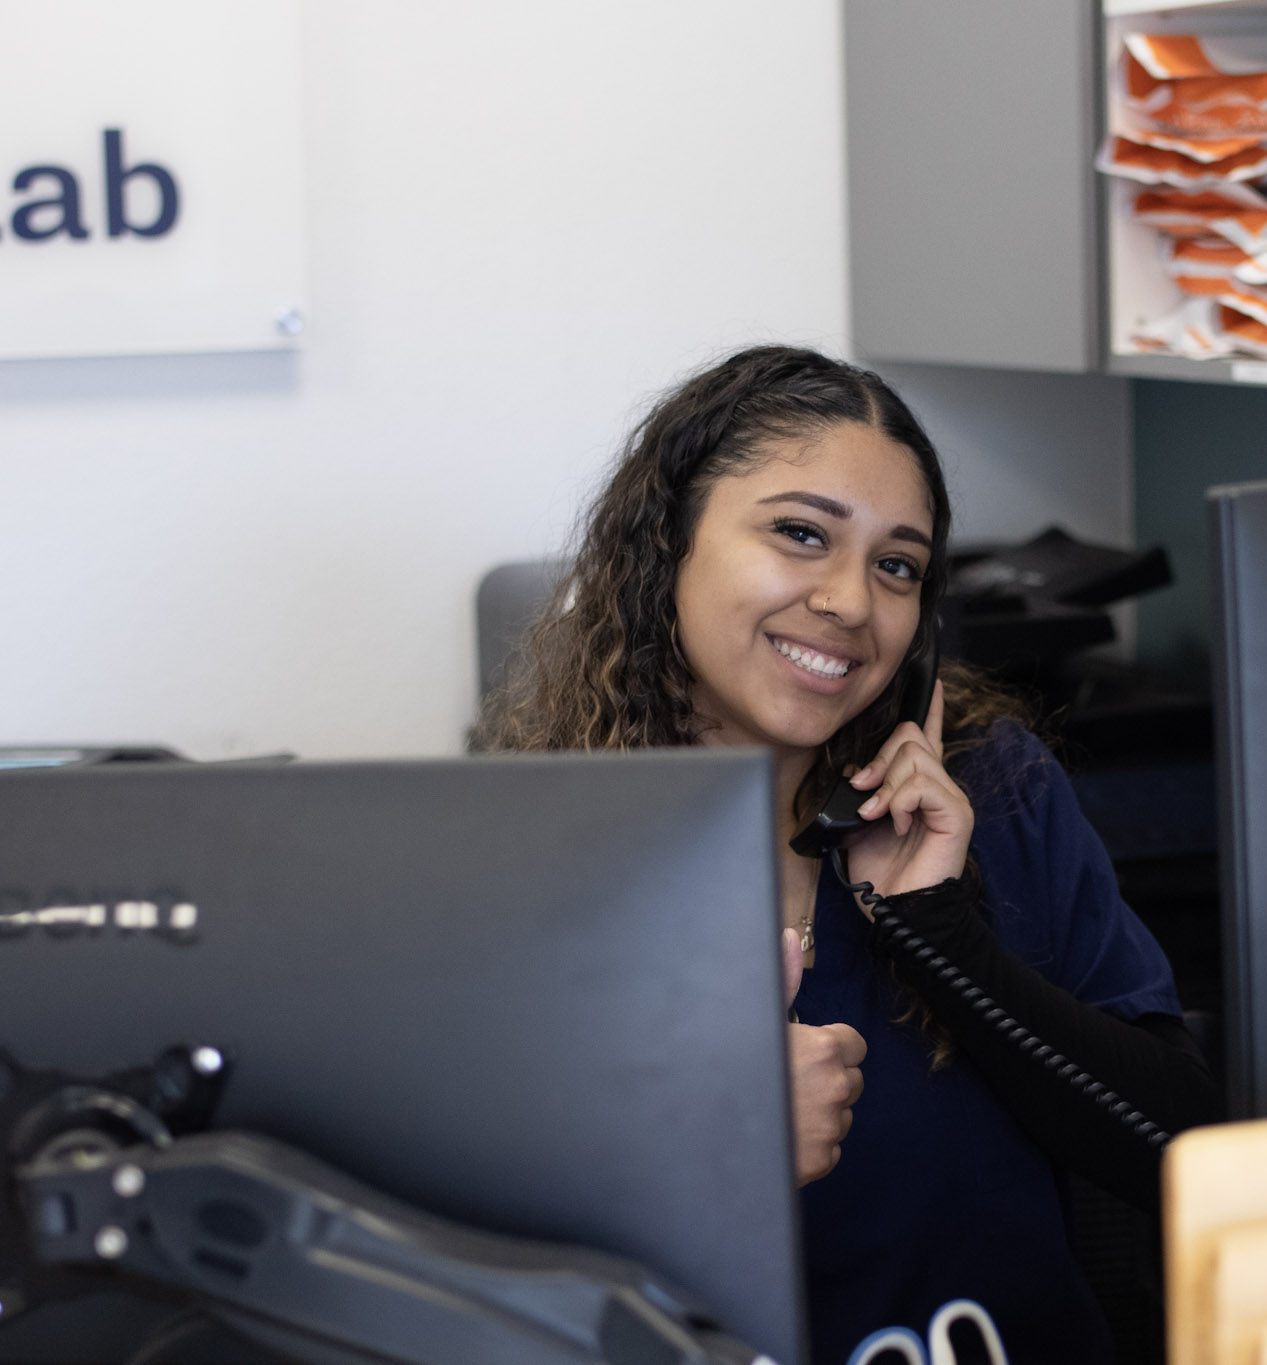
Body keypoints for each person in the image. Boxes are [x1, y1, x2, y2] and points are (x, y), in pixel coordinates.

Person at [479, 346, 1221, 1364]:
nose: (849, 602)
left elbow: (1175, 1146)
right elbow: (464, 1262)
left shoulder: (991, 792)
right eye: (798, 534)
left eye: (896, 565)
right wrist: (706, 1144)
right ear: (668, 545)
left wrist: (939, 938)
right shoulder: (528, 855)